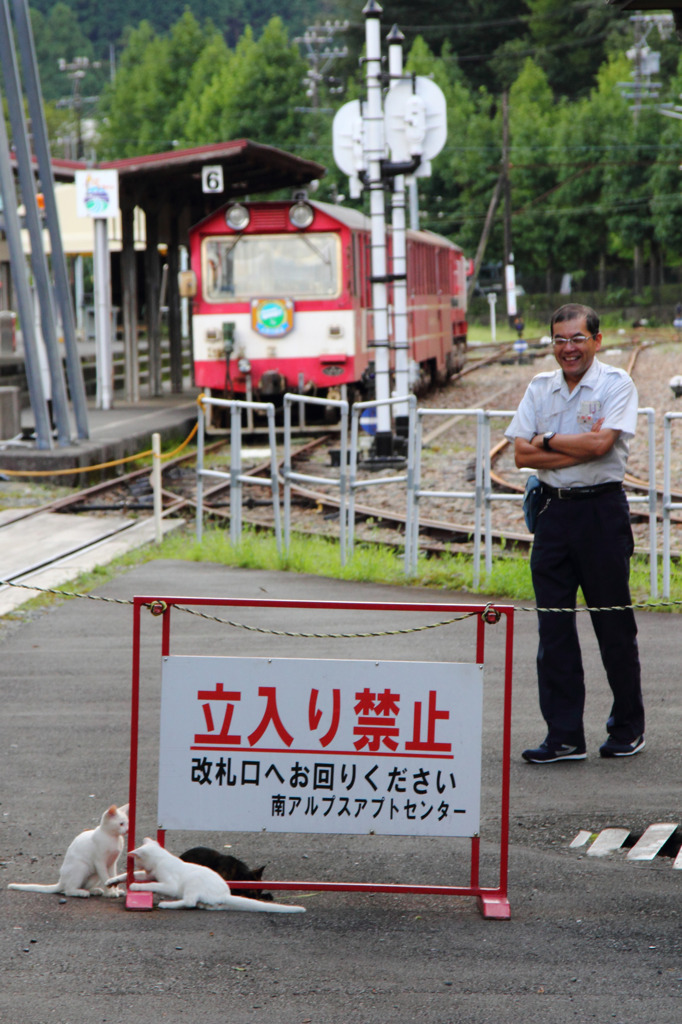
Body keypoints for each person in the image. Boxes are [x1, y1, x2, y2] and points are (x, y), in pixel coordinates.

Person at [505, 303, 645, 764]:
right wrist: (569, 450)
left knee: (613, 626)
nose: (568, 348)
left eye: (578, 339)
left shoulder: (616, 383)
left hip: (601, 514)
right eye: (560, 340)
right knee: (554, 629)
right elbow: (519, 456)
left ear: (596, 341)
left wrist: (545, 440)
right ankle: (563, 736)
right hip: (553, 515)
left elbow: (601, 445)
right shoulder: (540, 386)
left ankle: (626, 728)